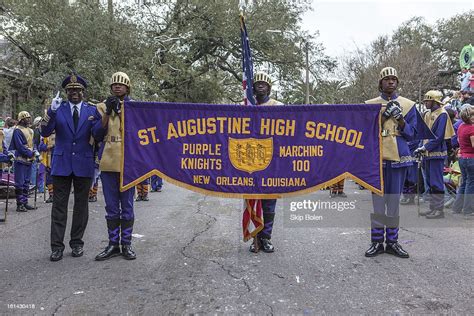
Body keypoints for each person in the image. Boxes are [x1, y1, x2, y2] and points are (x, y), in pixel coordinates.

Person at [40, 74, 101, 262]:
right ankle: (56, 246)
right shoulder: (58, 109)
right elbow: (44, 131)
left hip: (84, 163)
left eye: (78, 90)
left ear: (83, 92)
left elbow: (98, 134)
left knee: (81, 206)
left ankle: (77, 243)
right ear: (66, 92)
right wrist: (50, 111)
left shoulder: (92, 110)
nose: (74, 93)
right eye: (71, 90)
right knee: (59, 207)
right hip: (62, 163)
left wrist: (102, 117)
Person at [364, 67, 418, 258]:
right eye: (387, 79)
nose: (391, 82)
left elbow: (412, 134)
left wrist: (400, 119)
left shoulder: (408, 105)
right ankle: (377, 242)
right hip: (376, 157)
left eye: (394, 79)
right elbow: (365, 131)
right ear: (380, 83)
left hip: (398, 156)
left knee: (393, 201)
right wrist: (385, 115)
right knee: (378, 202)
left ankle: (393, 242)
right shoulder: (370, 104)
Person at [93, 72, 137, 260]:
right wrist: (108, 114)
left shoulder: (135, 107)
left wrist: (121, 112)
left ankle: (126, 244)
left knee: (127, 205)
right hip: (108, 160)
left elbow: (137, 131)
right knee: (111, 206)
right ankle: (113, 244)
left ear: (127, 87)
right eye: (115, 84)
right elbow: (96, 133)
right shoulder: (101, 107)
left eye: (121, 85)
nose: (117, 87)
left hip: (128, 161)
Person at [248, 71, 283, 253]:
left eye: (264, 83)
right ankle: (254, 237)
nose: (260, 85)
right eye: (258, 83)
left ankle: (266, 237)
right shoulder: (246, 105)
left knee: (269, 202)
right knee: (253, 201)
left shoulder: (278, 106)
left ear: (269, 87)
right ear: (253, 87)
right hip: (250, 161)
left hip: (271, 160)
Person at [414, 90, 455, 219]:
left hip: (436, 152)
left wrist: (424, 147)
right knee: (430, 182)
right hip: (427, 152)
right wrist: (420, 146)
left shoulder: (442, 115)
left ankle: (439, 210)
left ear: (435, 101)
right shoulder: (427, 113)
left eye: (428, 100)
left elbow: (438, 137)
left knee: (436, 182)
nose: (425, 102)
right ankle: (433, 208)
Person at [9, 111, 40, 212]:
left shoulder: (30, 130)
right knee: (20, 182)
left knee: (27, 182)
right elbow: (19, 146)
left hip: (29, 160)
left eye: (29, 118)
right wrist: (30, 153)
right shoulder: (17, 130)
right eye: (26, 118)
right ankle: (19, 204)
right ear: (21, 120)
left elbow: (33, 143)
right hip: (20, 160)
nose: (29, 120)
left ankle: (25, 202)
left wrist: (35, 151)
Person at [452, 105, 474, 216]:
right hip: (471, 158)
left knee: (465, 183)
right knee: (471, 184)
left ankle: (456, 208)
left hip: (462, 157)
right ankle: (468, 210)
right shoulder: (472, 128)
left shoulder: (461, 126)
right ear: (470, 116)